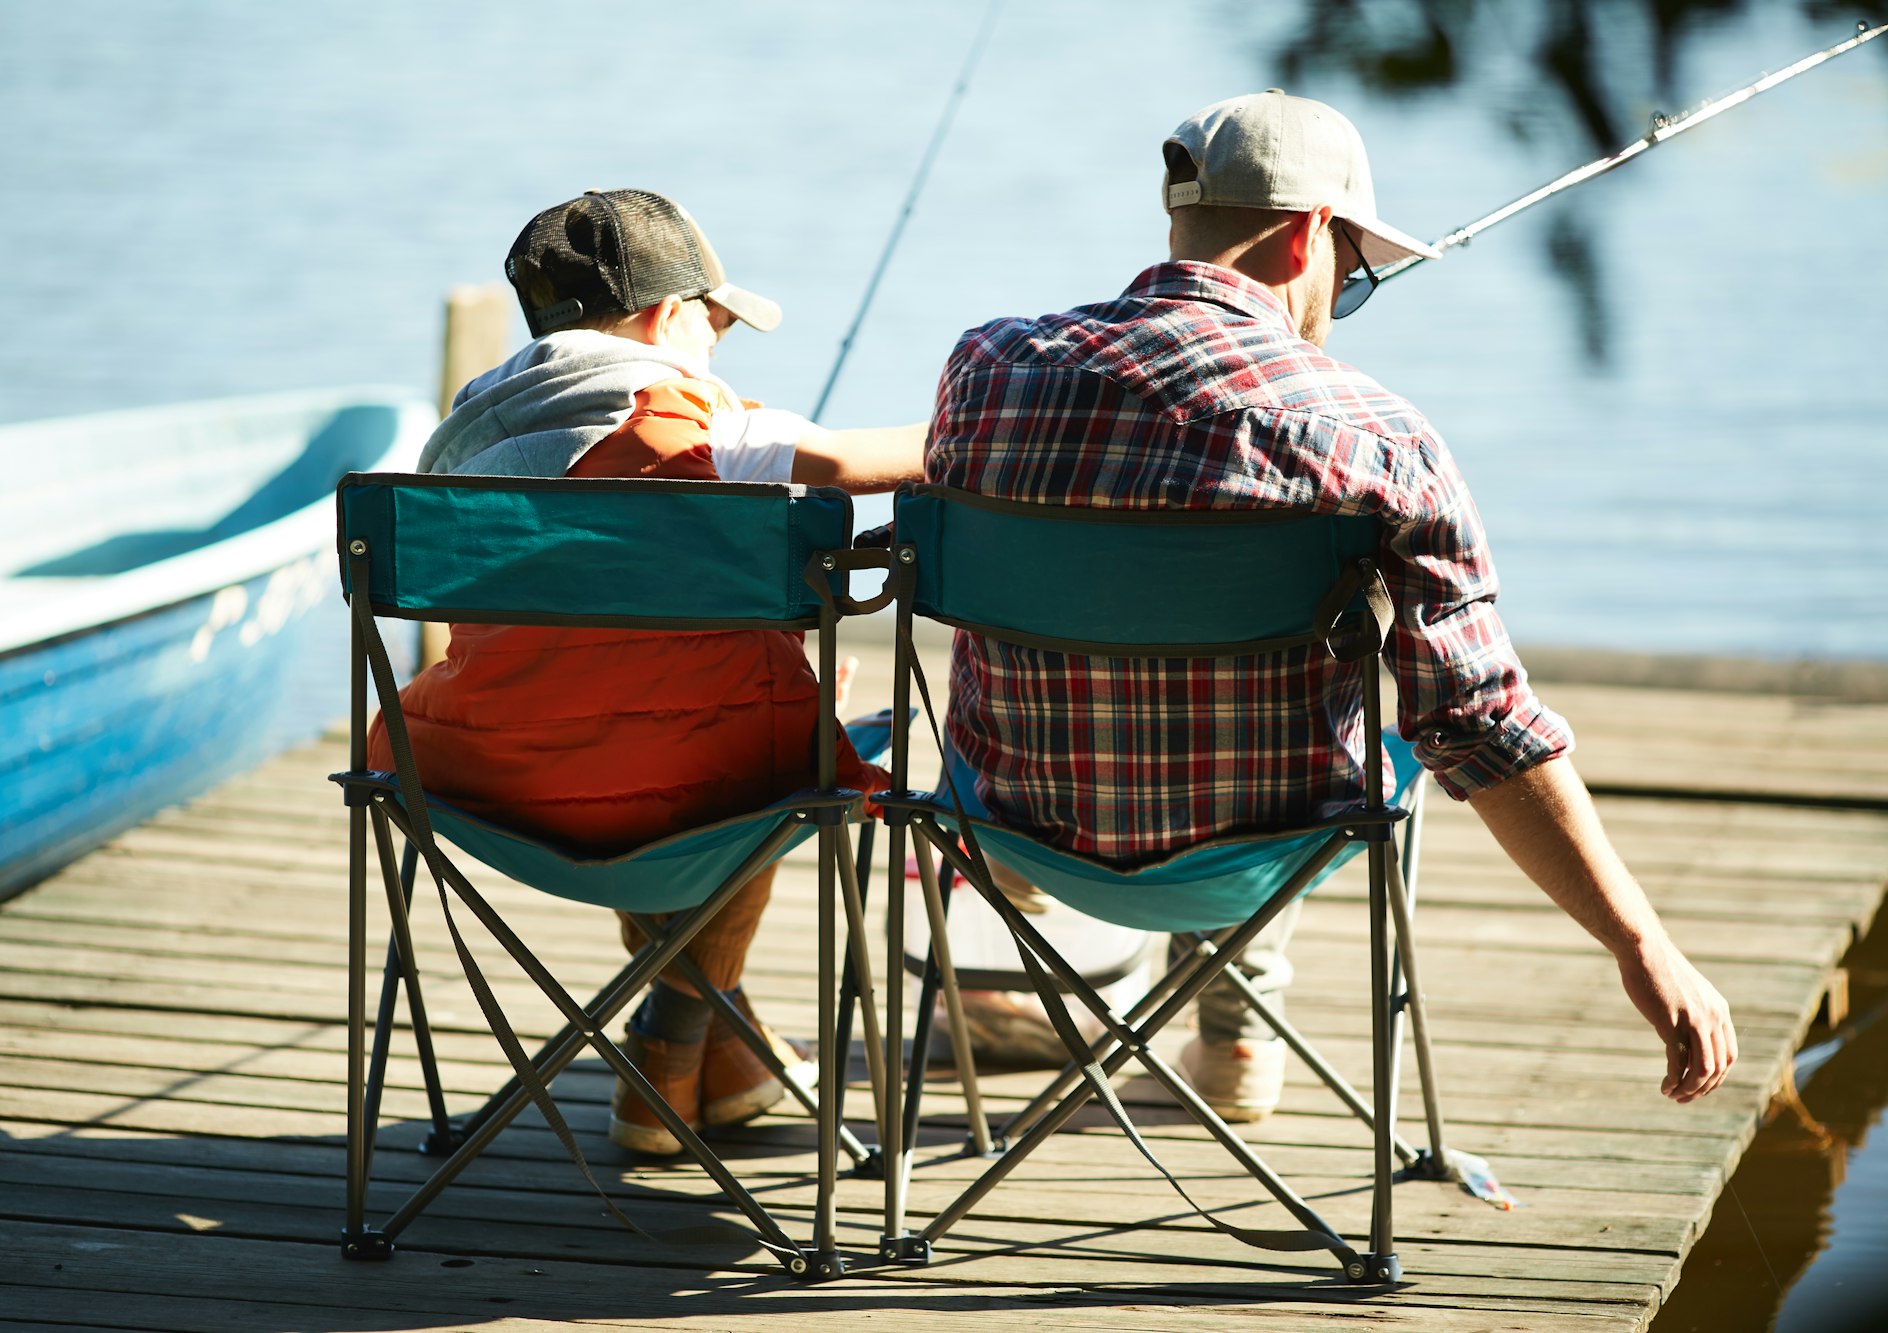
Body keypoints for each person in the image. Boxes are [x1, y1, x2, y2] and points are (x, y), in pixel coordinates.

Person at [926, 91, 1737, 1119]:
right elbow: (1477, 724)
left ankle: (1106, 1012)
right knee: (1333, 729)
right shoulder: (1377, 437)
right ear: (1312, 230)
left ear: (1177, 219)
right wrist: (1641, 944)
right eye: (1351, 274)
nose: (1340, 294)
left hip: (1016, 831)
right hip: (1259, 855)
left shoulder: (987, 370)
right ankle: (1236, 1033)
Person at [368, 188, 924, 1154]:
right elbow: (850, 461)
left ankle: (704, 1056)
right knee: (778, 747)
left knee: (651, 706)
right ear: (670, 318)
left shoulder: (459, 445)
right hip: (700, 788)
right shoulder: (701, 429)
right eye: (716, 326)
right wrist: (985, 432)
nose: (716, 351)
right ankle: (672, 1049)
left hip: (485, 782)